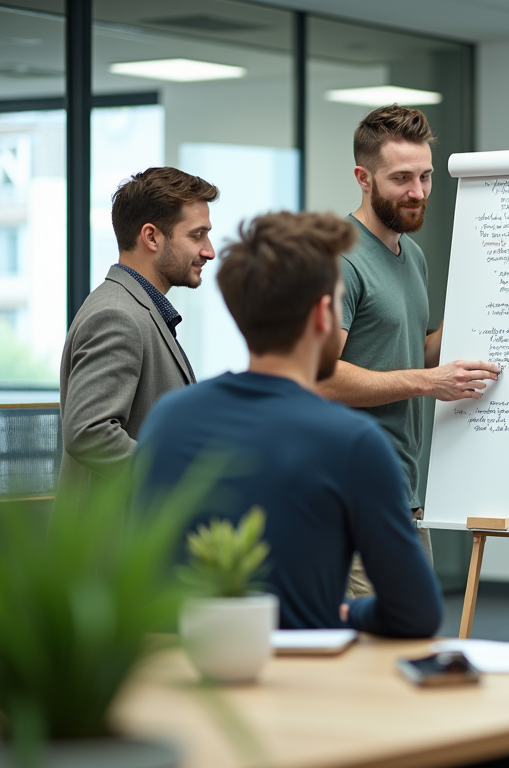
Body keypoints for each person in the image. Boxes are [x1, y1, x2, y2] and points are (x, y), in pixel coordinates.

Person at [133, 211, 443, 636]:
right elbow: (417, 612)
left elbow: (146, 572)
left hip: (186, 675)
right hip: (303, 684)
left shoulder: (167, 420)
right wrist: (350, 614)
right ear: (322, 316)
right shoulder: (353, 442)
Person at [316, 104, 500, 595]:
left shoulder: (411, 254)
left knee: (412, 640)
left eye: (425, 176)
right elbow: (321, 377)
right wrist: (427, 382)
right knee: (371, 654)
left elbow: (405, 352)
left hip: (404, 492)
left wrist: (486, 320)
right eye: (401, 178)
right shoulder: (340, 258)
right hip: (351, 496)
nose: (417, 192)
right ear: (363, 177)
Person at [56, 167, 219, 517]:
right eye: (197, 235)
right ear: (151, 237)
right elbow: (89, 432)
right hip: (115, 555)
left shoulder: (135, 308)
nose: (209, 251)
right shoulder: (118, 315)